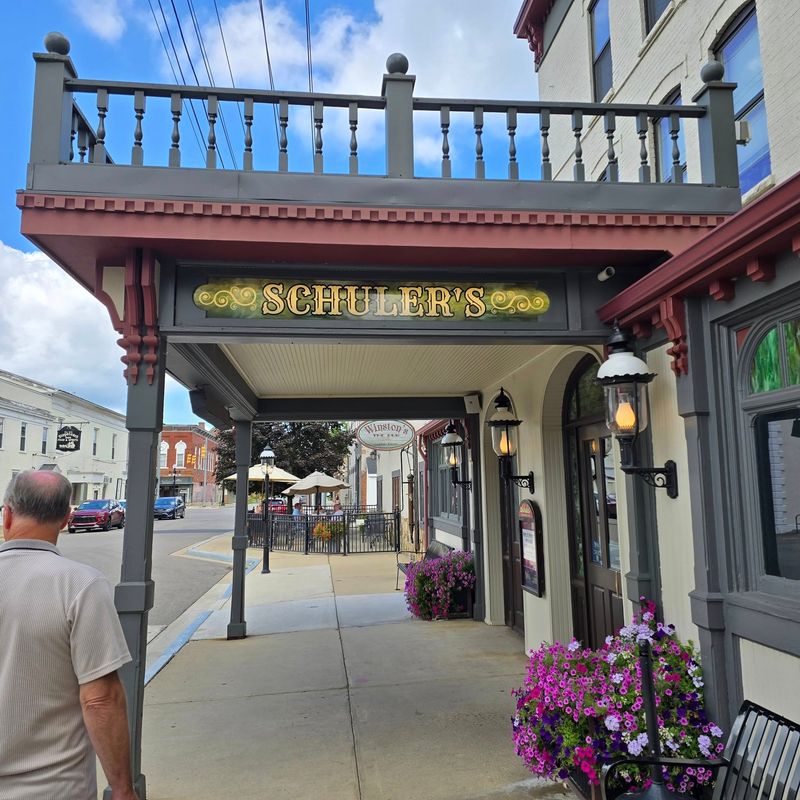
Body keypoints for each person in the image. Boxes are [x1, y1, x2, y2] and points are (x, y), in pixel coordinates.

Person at [0, 471, 136, 800]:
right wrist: (122, 789)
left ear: (7, 514)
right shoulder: (81, 585)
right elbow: (100, 699)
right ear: (65, 519)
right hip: (55, 787)